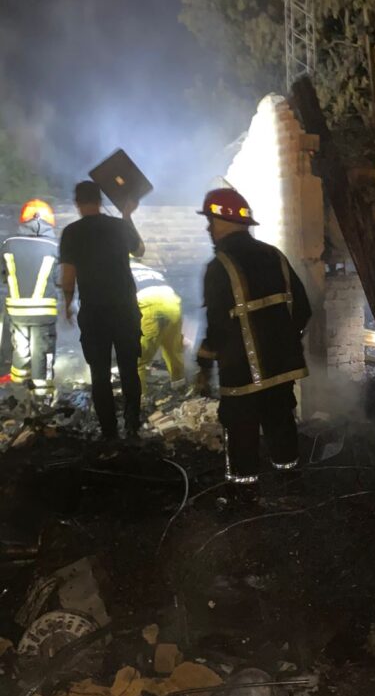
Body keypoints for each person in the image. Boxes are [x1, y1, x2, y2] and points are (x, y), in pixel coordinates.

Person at [195, 187, 311, 496]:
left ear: (223, 221)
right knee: (280, 419)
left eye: (210, 221)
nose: (208, 229)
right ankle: (291, 485)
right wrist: (285, 342)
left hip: (240, 372)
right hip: (282, 366)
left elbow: (217, 326)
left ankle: (244, 494)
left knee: (240, 426)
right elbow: (303, 309)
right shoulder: (275, 256)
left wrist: (204, 364)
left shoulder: (219, 266)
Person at [59, 181, 144, 440]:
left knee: (99, 373)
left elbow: (68, 277)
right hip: (125, 309)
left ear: (77, 203)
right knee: (129, 368)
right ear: (100, 200)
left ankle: (109, 432)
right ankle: (132, 426)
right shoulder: (119, 226)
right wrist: (127, 215)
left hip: (94, 313)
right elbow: (140, 251)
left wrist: (67, 304)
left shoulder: (71, 233)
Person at [1, 199, 59, 399]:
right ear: (49, 222)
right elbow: (61, 279)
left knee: (21, 349)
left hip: (16, 312)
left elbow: (3, 275)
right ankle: (44, 394)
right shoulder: (54, 246)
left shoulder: (8, 244)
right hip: (44, 312)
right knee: (44, 351)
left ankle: (18, 393)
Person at [130, 259, 186, 394]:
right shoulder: (147, 269)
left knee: (137, 360)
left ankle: (140, 399)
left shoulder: (119, 270)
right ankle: (180, 389)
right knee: (173, 353)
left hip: (150, 308)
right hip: (173, 306)